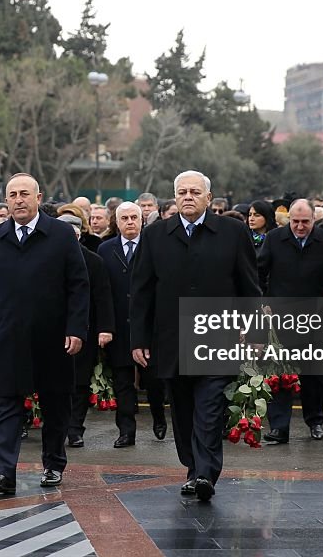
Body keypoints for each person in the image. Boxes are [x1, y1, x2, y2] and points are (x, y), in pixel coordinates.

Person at [130, 170, 260, 501]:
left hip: (218, 335)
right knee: (184, 409)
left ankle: (205, 473)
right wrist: (139, 339)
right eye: (182, 192)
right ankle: (192, 468)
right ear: (174, 197)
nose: (187, 197)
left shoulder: (233, 232)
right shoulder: (156, 234)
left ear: (207, 197)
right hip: (172, 338)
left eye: (194, 192)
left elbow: (248, 285)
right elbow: (142, 291)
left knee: (210, 406)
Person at [0, 173, 90, 495]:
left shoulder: (61, 234)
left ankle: (53, 464)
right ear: (6, 200)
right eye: (12, 195)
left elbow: (78, 286)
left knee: (55, 405)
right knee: (5, 404)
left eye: (25, 194)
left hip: (54, 338)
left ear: (38, 198)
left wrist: (76, 329)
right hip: (8, 336)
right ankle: (2, 472)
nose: (18, 200)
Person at [257, 199, 323, 443]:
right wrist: (263, 302)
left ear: (314, 220)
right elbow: (259, 271)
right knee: (278, 374)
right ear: (288, 219)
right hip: (280, 316)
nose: (300, 227)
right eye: (296, 221)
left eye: (305, 222)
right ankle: (279, 427)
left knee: (313, 375)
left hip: (314, 317)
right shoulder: (274, 238)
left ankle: (315, 422)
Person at [98, 201, 168, 446]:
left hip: (149, 325)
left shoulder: (154, 247)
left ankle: (159, 417)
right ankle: (126, 431)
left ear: (142, 220)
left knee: (154, 380)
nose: (129, 222)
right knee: (123, 381)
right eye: (124, 218)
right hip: (118, 323)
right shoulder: (105, 250)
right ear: (116, 222)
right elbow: (101, 291)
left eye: (134, 218)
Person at [59, 214, 114, 448]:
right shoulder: (49, 260)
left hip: (85, 330)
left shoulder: (94, 261)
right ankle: (59, 427)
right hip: (53, 329)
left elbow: (103, 298)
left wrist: (105, 329)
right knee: (57, 382)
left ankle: (75, 429)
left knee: (80, 382)